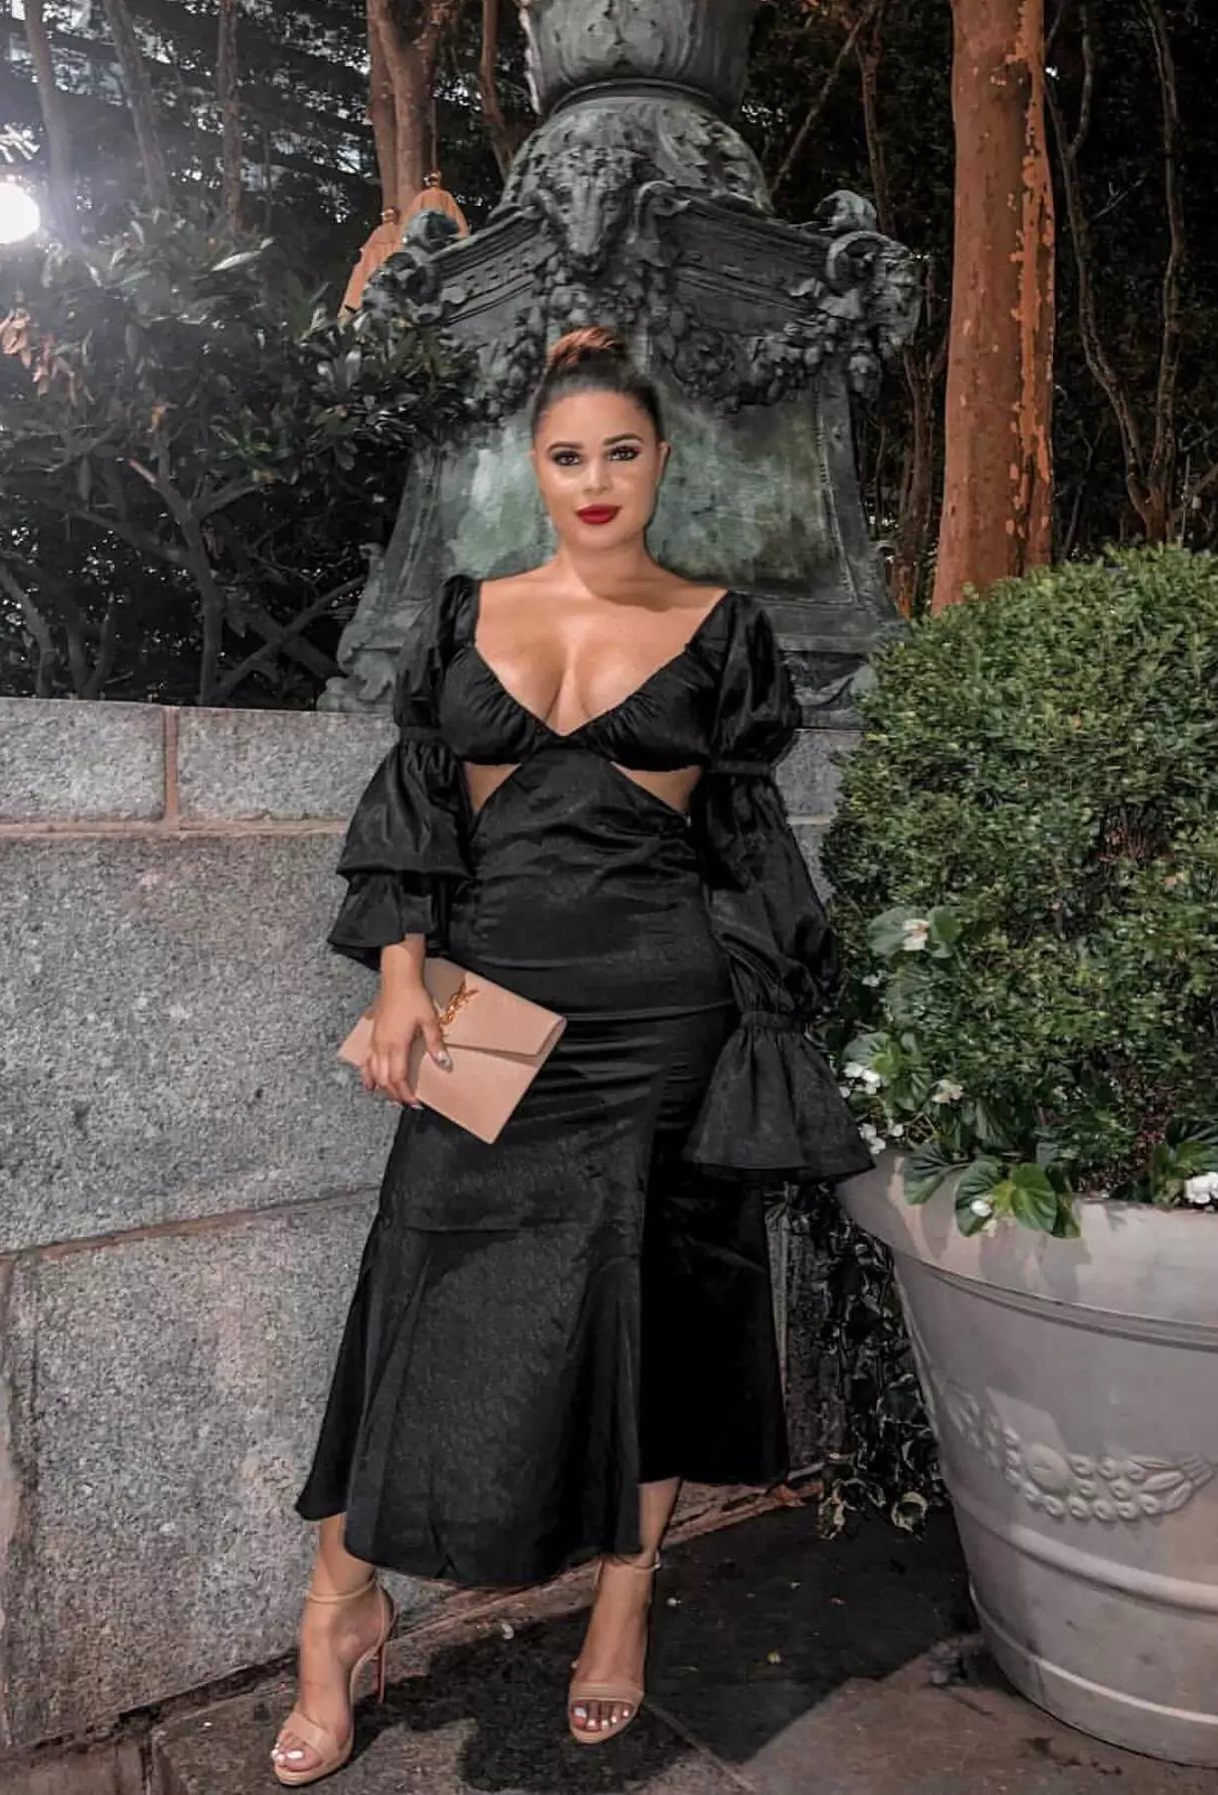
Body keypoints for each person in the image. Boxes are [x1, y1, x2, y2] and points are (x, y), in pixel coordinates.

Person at [270, 326, 871, 1784]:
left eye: (620, 452)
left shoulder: (724, 625)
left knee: (653, 1306)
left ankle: (621, 1604)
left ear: (663, 461)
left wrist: (768, 1019)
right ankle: (339, 1607)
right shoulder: (473, 609)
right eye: (565, 456)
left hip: (665, 1014)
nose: (594, 480)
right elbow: (418, 804)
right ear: (529, 469)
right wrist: (404, 979)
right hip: (490, 1012)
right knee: (422, 1304)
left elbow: (741, 842)